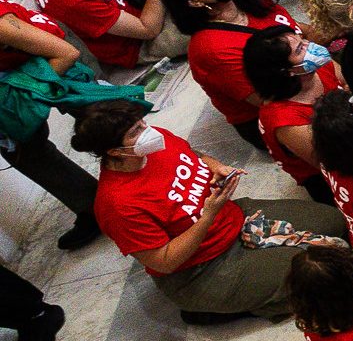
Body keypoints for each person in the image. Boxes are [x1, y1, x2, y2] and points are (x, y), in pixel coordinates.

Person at [85, 103, 337, 320]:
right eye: (135, 132)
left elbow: (192, 153)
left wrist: (216, 166)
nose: (146, 132)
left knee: (336, 224)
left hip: (233, 217)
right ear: (115, 152)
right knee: (325, 278)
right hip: (203, 269)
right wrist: (208, 216)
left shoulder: (155, 142)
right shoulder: (116, 205)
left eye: (142, 123)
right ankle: (213, 309)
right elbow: (164, 261)